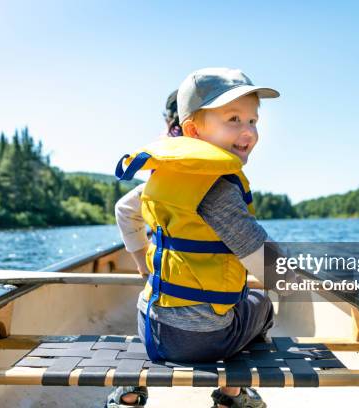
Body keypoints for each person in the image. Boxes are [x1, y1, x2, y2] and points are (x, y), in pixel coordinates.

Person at [108, 67, 279, 408]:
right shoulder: (217, 187)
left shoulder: (164, 175)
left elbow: (125, 211)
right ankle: (232, 394)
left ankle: (131, 388)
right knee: (263, 307)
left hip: (151, 328)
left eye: (253, 121)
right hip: (201, 340)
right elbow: (266, 263)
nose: (248, 132)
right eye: (233, 119)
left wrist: (143, 264)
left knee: (158, 294)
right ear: (192, 130)